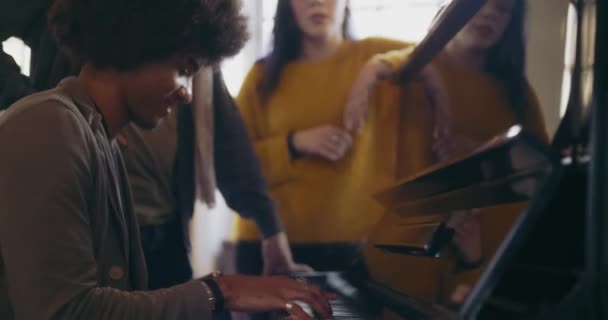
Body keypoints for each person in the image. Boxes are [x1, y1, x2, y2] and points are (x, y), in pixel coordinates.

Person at [0, 0, 333, 319]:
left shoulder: (105, 144)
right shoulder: (50, 128)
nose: (189, 93)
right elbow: (71, 312)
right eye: (184, 70)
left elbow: (231, 142)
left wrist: (261, 240)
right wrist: (222, 290)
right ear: (136, 43)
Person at [344, 0, 549, 304]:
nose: (490, 13)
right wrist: (373, 69)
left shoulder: (517, 92)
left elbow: (543, 171)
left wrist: (480, 152)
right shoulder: (414, 73)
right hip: (414, 263)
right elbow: (394, 65)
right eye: (480, 3)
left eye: (503, 8)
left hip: (488, 268)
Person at [231, 0, 412, 276]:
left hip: (355, 245)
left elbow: (436, 52)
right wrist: (293, 144)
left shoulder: (375, 55)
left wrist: (374, 69)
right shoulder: (261, 76)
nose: (316, 2)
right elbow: (234, 165)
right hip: (268, 243)